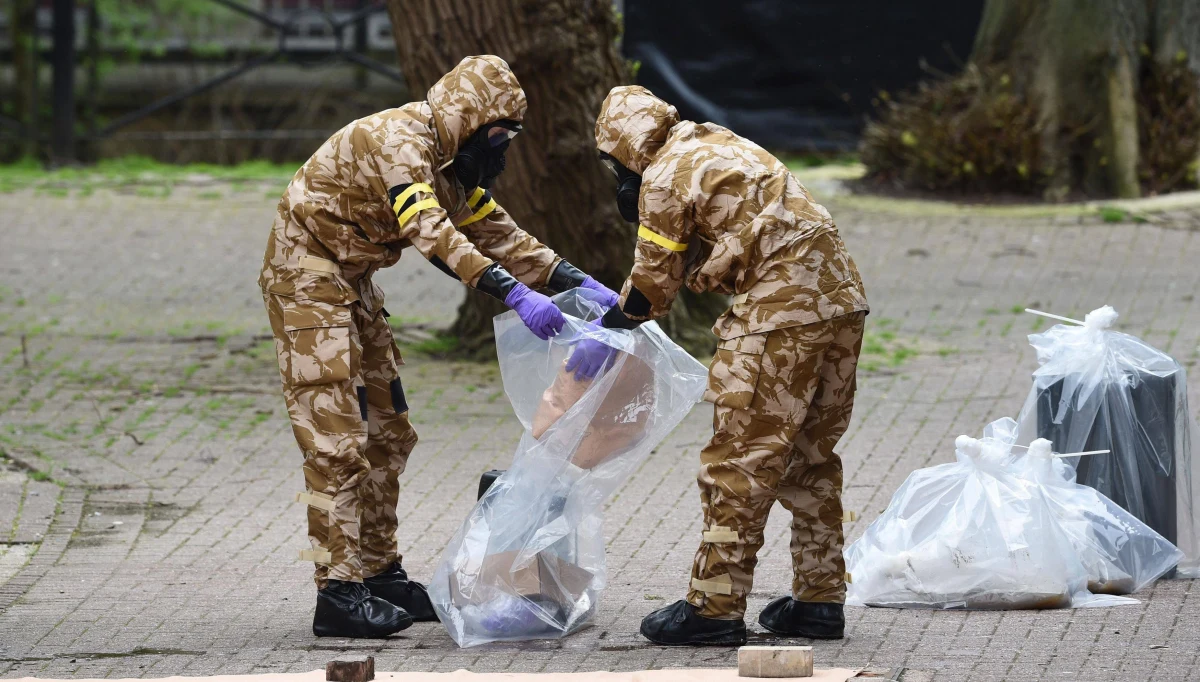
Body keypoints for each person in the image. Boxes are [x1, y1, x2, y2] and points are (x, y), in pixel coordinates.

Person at [259, 55, 617, 639]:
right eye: (497, 138)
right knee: (337, 439)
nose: (501, 153)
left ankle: (378, 571)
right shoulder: (400, 142)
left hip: (352, 282)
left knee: (390, 431)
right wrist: (513, 296)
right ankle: (338, 589)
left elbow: (498, 233)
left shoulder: (453, 165)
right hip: (307, 278)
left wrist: (577, 282)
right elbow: (430, 230)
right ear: (467, 121)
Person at [569, 86, 869, 645]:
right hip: (842, 302)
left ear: (623, 151)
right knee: (810, 456)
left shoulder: (660, 174)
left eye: (614, 169)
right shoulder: (716, 142)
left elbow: (653, 284)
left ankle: (714, 608)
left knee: (738, 460)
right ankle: (820, 600)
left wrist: (608, 328)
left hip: (778, 314)